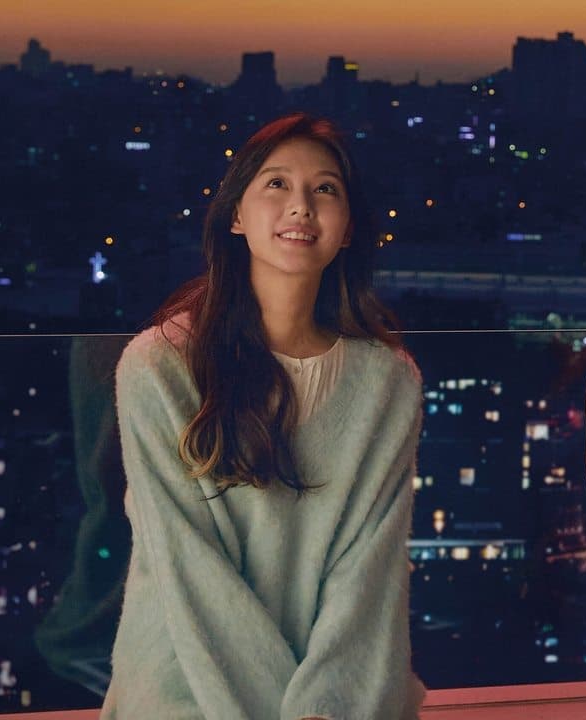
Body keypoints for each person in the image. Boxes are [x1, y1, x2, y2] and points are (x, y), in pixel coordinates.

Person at [101, 114, 425, 720]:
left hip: (333, 701)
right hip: (182, 688)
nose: (301, 206)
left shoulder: (388, 382)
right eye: (276, 184)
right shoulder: (158, 367)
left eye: (325, 189)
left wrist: (322, 708)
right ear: (235, 216)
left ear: (348, 230)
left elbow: (371, 574)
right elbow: (187, 565)